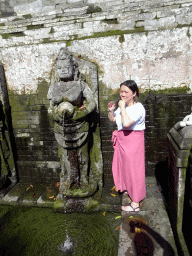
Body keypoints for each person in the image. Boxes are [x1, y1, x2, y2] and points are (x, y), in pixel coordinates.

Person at [108, 80, 146, 212]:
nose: (122, 94)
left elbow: (127, 123)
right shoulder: (121, 107)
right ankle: (127, 188)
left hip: (133, 140)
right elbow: (113, 119)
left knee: (134, 169)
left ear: (134, 93)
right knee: (123, 166)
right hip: (122, 139)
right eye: (121, 91)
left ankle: (135, 203)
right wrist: (112, 111)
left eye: (126, 92)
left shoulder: (138, 108)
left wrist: (122, 107)